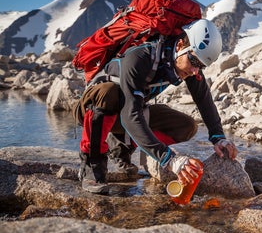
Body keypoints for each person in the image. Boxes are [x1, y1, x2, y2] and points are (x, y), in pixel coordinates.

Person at [73, 19, 238, 194]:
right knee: (109, 92)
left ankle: (122, 147)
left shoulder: (188, 62)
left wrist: (218, 137)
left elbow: (204, 100)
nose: (195, 71)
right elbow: (131, 116)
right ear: (180, 45)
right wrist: (169, 159)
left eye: (202, 66)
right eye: (194, 62)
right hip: (95, 108)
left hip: (127, 111)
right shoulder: (140, 57)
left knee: (186, 126)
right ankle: (92, 164)